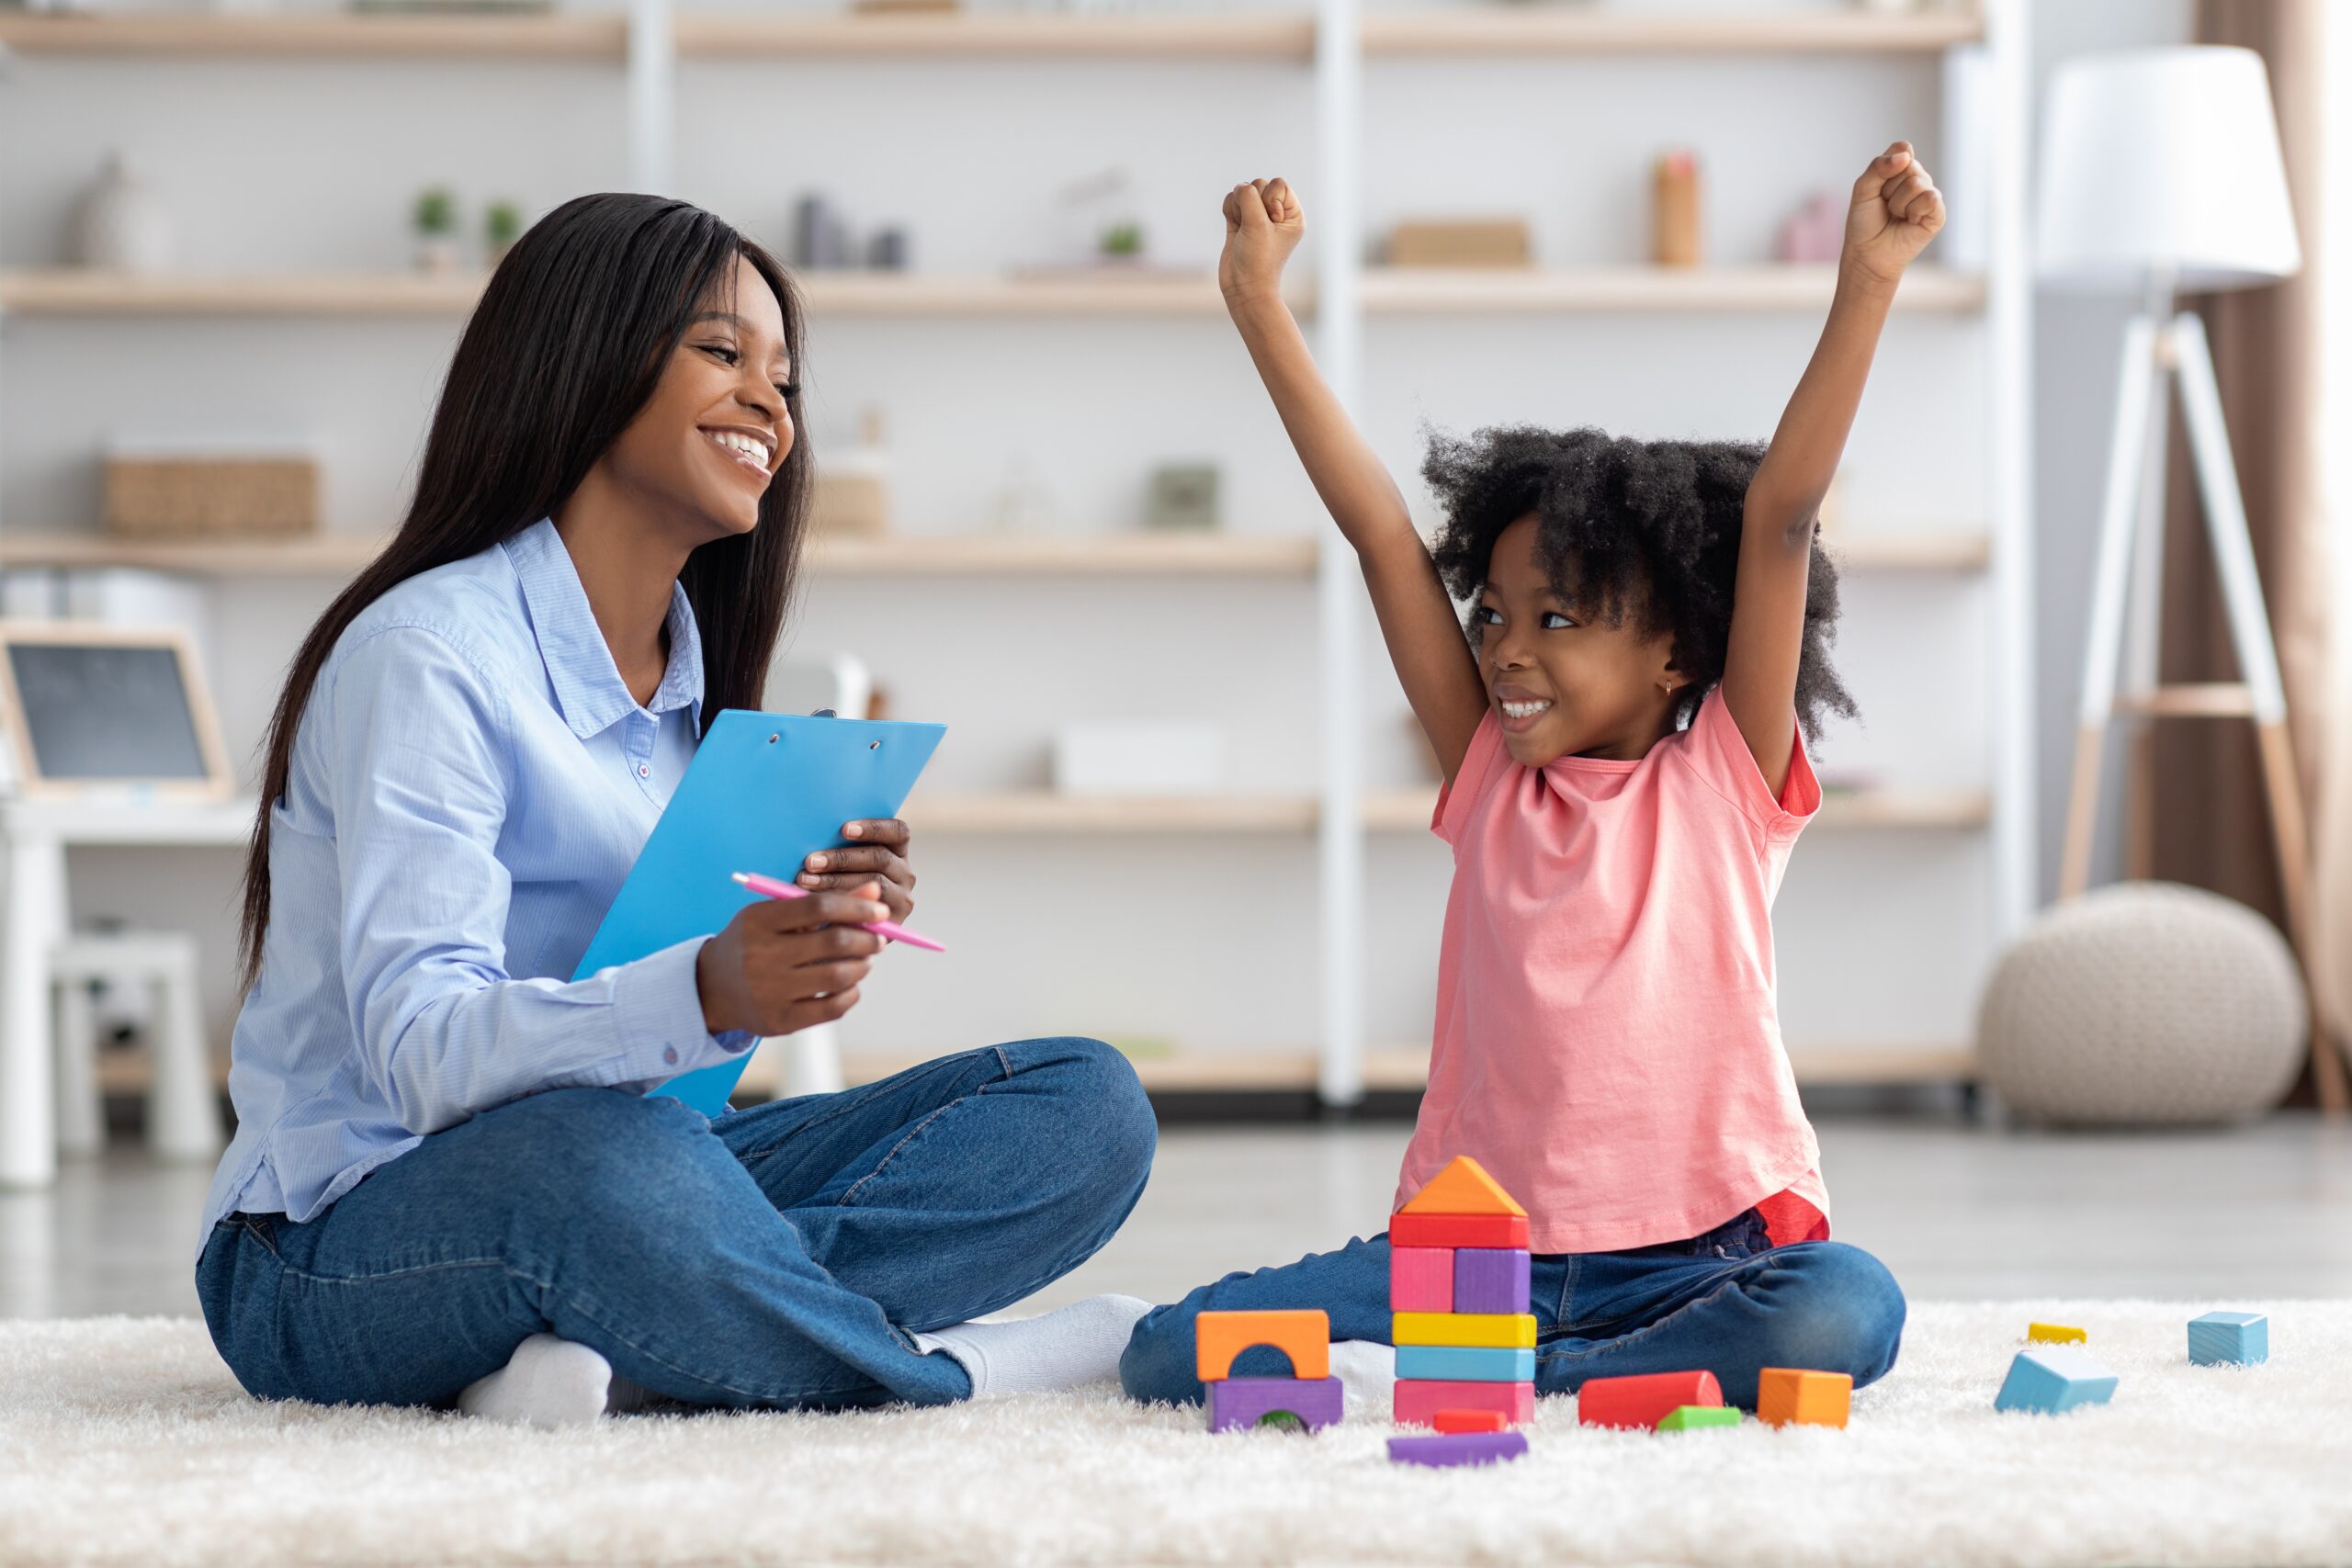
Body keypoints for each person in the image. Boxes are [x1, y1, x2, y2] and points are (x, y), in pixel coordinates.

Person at [197, 193, 1157, 1428]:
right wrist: (709, 987)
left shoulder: (694, 690)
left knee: (1084, 1108)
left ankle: (621, 1346)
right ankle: (954, 1369)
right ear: (587, 357)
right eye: (722, 352)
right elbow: (420, 1056)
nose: (771, 403)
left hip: (637, 1176)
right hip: (336, 1240)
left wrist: (800, 936)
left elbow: (673, 1082)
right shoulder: (427, 655)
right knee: (606, 1170)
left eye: (786, 380)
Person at [1123, 145, 1946, 1410]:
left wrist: (1867, 283)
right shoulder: (1490, 780)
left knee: (1849, 1309)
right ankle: (1565, 1376)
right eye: (1496, 616)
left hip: (1701, 1257)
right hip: (1472, 1258)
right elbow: (1382, 534)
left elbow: (1781, 514)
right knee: (1166, 1352)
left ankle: (1526, 1378)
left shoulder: (1727, 781)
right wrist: (1258, 305)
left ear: (1677, 652)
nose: (1506, 650)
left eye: (1557, 622)